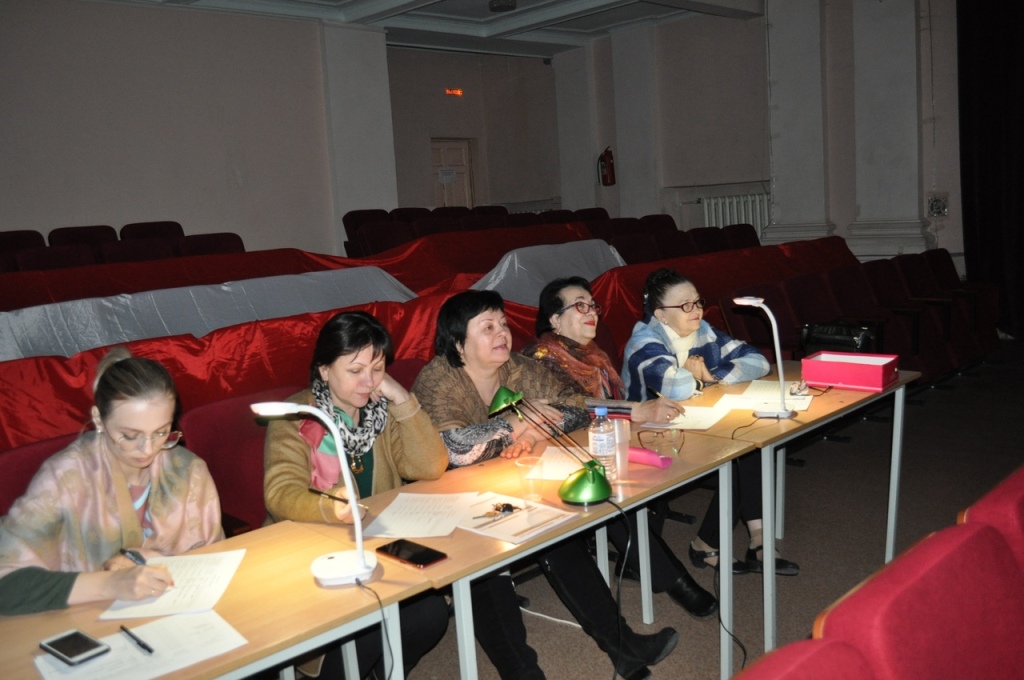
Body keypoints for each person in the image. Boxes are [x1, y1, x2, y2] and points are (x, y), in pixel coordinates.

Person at [413, 290, 680, 680]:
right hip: (444, 500)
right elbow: (453, 450)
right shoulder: (438, 379)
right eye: (487, 327)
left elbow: (577, 407)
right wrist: (515, 425)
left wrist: (535, 428)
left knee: (558, 533)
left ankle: (623, 646)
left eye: (503, 323)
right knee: (485, 566)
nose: (502, 333)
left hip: (502, 483)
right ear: (457, 342)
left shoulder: (518, 367)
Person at [263, 311, 450, 679]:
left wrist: (400, 396)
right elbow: (280, 492)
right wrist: (331, 506)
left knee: (430, 614)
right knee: (364, 626)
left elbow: (430, 466)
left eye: (377, 369)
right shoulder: (296, 416)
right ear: (324, 370)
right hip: (313, 549)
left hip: (376, 544)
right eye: (355, 370)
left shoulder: (381, 412)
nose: (368, 382)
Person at [522, 276, 721, 609]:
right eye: (579, 306)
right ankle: (676, 581)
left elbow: (610, 406)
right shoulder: (540, 357)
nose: (592, 313)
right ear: (555, 320)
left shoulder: (593, 355)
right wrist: (636, 410)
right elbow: (571, 406)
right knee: (617, 497)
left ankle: (636, 561)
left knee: (668, 454)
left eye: (593, 306)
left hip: (600, 444)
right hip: (559, 456)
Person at [0, 348, 223, 615]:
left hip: (174, 613)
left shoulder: (187, 470)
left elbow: (214, 561)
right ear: (99, 419)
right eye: (130, 435)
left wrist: (154, 561)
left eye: (161, 432)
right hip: (83, 618)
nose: (147, 449)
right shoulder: (65, 478)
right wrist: (110, 583)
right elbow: (6, 584)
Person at [622, 268, 799, 575]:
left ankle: (756, 539)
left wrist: (711, 375)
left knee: (752, 440)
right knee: (738, 451)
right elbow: (675, 386)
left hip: (694, 422)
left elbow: (758, 361)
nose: (696, 310)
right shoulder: (643, 341)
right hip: (649, 434)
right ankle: (709, 543)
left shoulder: (703, 331)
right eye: (685, 305)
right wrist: (700, 380)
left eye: (697, 301)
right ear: (661, 314)